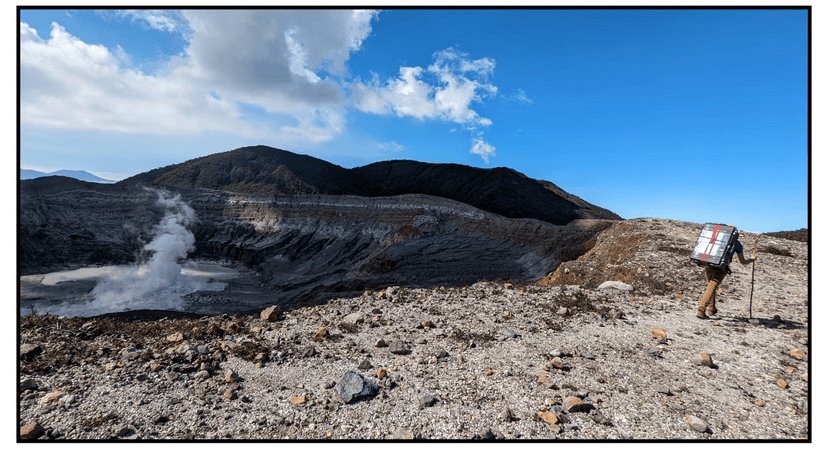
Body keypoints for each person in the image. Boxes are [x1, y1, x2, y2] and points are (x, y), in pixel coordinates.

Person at [697, 238, 756, 319]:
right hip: (721, 268)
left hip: (709, 265)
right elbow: (743, 261)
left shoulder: (716, 239)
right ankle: (701, 310)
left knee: (710, 287)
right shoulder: (737, 243)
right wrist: (752, 259)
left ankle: (711, 310)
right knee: (712, 287)